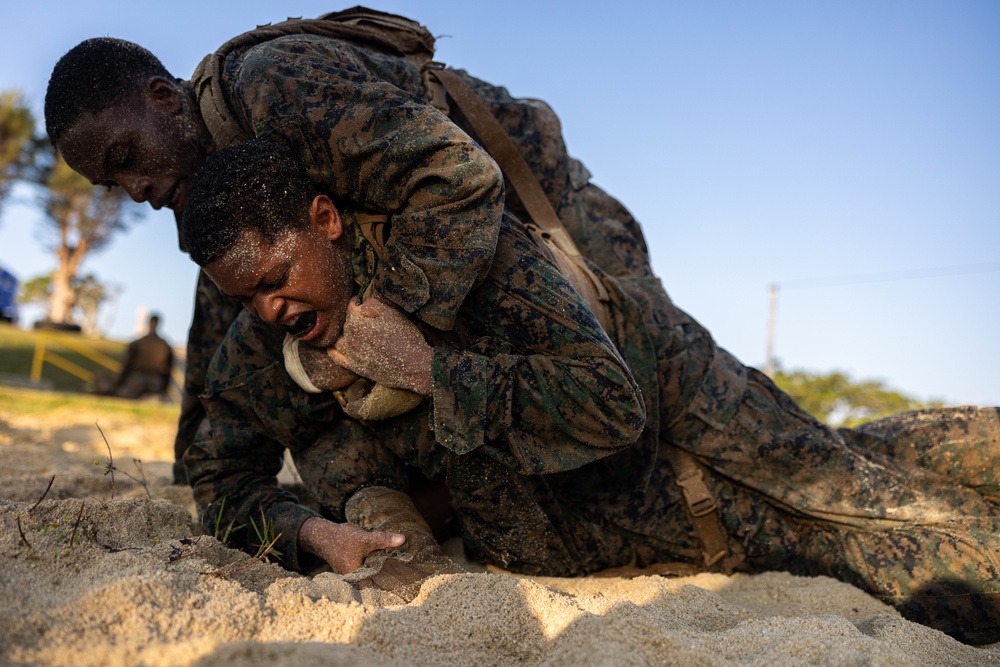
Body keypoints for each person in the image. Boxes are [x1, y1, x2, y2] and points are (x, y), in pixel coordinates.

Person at [182, 140, 1000, 644]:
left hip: (692, 480)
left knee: (937, 560)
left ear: (324, 218)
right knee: (879, 460)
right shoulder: (268, 348)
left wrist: (432, 372)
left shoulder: (461, 256)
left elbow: (608, 403)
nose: (271, 310)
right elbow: (221, 482)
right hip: (590, 537)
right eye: (244, 297)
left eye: (276, 278)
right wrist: (315, 533)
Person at [43, 8, 657, 486]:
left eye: (127, 160)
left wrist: (382, 321)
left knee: (653, 377)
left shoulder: (272, 88)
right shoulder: (209, 192)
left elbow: (457, 174)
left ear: (161, 97)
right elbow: (218, 313)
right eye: (113, 184)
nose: (137, 190)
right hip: (490, 227)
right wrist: (197, 462)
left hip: (553, 203)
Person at [110, 313, 174, 399]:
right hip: (155, 381)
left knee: (123, 396)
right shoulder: (165, 345)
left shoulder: (139, 343)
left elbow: (127, 365)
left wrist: (119, 383)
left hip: (141, 379)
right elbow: (168, 369)